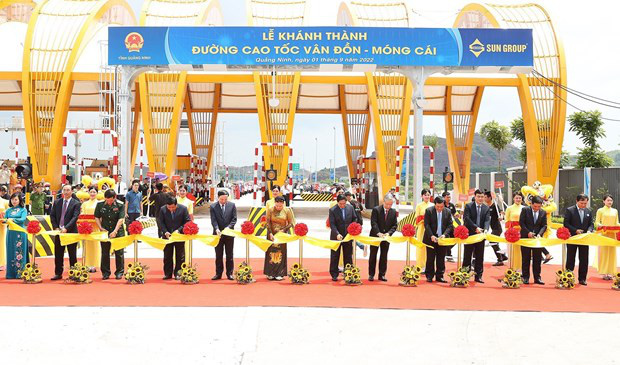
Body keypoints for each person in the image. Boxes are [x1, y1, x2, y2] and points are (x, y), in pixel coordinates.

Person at [50, 184, 81, 280]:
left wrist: (66, 228)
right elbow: (52, 216)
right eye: (64, 190)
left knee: (72, 254)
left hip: (71, 232)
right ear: (62, 191)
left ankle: (73, 273)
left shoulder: (76, 203)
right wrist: (55, 227)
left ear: (72, 191)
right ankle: (58, 273)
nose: (66, 192)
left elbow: (74, 217)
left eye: (68, 190)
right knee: (58, 253)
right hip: (59, 232)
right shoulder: (57, 202)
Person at [94, 190, 125, 279]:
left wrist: (115, 231)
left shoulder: (120, 205)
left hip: (118, 231)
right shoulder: (100, 205)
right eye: (107, 200)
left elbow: (121, 219)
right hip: (105, 231)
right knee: (104, 252)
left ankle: (119, 272)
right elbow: (96, 216)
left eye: (110, 200)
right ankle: (105, 272)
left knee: (119, 253)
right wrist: (100, 227)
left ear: (114, 198)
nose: (108, 202)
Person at [563, 194, 594, 285]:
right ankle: (568, 276)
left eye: (585, 203)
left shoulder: (588, 211)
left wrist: (589, 230)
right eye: (582, 203)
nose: (584, 205)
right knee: (570, 258)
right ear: (577, 201)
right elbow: (566, 223)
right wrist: (575, 230)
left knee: (584, 259)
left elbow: (591, 224)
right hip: (573, 238)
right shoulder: (570, 210)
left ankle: (582, 278)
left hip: (584, 239)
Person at [158, 196, 190, 280]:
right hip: (167, 236)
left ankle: (178, 273)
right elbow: (160, 222)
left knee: (180, 255)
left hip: (179, 236)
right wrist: (165, 231)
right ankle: (168, 274)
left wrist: (179, 230)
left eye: (173, 207)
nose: (171, 209)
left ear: (176, 205)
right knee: (167, 255)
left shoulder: (183, 209)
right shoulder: (163, 209)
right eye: (169, 207)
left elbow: (187, 221)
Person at [462, 189, 490, 283]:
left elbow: (487, 220)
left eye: (482, 197)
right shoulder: (469, 206)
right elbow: (467, 219)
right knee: (467, 256)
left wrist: (485, 229)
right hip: (470, 234)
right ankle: (464, 275)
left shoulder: (486, 208)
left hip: (480, 236)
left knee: (480, 256)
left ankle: (478, 276)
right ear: (475, 196)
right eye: (478, 196)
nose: (480, 198)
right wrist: (475, 228)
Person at [424, 196, 454, 283]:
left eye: (441, 206)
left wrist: (445, 235)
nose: (440, 208)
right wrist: (431, 235)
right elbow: (426, 225)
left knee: (441, 258)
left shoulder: (447, 211)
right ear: (435, 205)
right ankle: (429, 275)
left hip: (442, 238)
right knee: (430, 257)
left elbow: (450, 225)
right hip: (431, 238)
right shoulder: (429, 211)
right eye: (438, 207)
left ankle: (440, 276)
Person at [265, 195, 295, 280]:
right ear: (274, 203)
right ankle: (270, 273)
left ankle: (280, 273)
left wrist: (284, 230)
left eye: (280, 206)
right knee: (271, 253)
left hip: (282, 235)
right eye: (277, 205)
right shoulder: (270, 210)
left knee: (280, 253)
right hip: (271, 234)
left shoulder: (287, 210)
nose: (278, 207)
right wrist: (270, 233)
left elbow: (290, 223)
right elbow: (267, 222)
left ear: (283, 204)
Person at [368, 194, 397, 281]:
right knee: (373, 255)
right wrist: (378, 233)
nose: (388, 206)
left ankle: (382, 274)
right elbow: (373, 223)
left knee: (384, 256)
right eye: (387, 204)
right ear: (383, 202)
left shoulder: (393, 211)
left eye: (390, 204)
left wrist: (389, 233)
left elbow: (395, 225)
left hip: (386, 237)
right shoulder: (376, 210)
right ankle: (371, 274)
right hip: (375, 236)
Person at [519, 196, 547, 285]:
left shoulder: (543, 212)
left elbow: (544, 225)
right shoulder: (525, 210)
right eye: (535, 206)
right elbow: (521, 223)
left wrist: (539, 234)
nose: (537, 208)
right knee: (526, 258)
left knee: (537, 259)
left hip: (537, 239)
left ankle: (537, 277)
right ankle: (525, 277)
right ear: (531, 204)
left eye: (539, 207)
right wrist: (528, 232)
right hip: (526, 237)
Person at [210, 190, 237, 280]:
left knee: (229, 254)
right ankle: (218, 273)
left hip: (229, 234)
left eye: (225, 199)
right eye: (222, 199)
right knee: (218, 255)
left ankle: (229, 273)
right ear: (218, 198)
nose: (223, 201)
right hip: (218, 234)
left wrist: (229, 227)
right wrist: (216, 229)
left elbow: (234, 219)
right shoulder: (213, 206)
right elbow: (213, 220)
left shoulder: (232, 205)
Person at [328, 194, 356, 281]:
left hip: (348, 235)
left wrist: (352, 229)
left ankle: (348, 272)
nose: (342, 205)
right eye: (340, 204)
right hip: (336, 236)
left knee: (348, 254)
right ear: (337, 202)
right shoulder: (332, 210)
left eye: (344, 203)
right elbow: (332, 224)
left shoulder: (350, 208)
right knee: (335, 255)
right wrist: (337, 234)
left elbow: (354, 219)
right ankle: (334, 274)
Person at [595, 194, 618, 280]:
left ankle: (611, 272)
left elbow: (617, 222)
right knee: (604, 253)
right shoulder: (600, 210)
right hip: (604, 234)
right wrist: (602, 226)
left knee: (612, 253)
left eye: (611, 200)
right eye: (608, 200)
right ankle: (604, 273)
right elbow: (596, 222)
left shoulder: (615, 211)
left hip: (612, 234)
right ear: (604, 201)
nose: (610, 202)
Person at [79, 186, 102, 273]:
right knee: (87, 246)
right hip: (86, 228)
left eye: (94, 192)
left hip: (96, 228)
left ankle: (95, 264)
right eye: (91, 192)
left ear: (97, 193)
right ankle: (87, 264)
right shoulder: (84, 204)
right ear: (88, 193)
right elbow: (82, 214)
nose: (92, 194)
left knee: (95, 246)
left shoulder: (99, 203)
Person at [4, 193, 27, 279]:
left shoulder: (23, 210)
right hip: (10, 233)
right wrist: (4, 220)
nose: (14, 201)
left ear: (20, 200)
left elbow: (22, 219)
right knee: (10, 250)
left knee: (20, 251)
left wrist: (12, 220)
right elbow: (5, 220)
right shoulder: (8, 210)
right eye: (12, 199)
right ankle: (10, 274)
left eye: (16, 199)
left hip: (20, 232)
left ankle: (20, 273)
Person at [484, 190, 508, 266]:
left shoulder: (495, 205)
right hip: (493, 228)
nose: (484, 199)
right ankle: (503, 256)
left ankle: (500, 259)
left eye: (485, 197)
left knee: (492, 242)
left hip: (497, 228)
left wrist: (501, 217)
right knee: (494, 243)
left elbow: (501, 212)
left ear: (489, 198)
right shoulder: (487, 207)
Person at [504, 192, 525, 268]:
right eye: (516, 198)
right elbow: (507, 220)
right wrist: (507, 232)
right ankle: (512, 267)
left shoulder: (524, 208)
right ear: (513, 199)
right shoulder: (509, 208)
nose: (518, 199)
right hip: (512, 232)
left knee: (522, 251)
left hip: (522, 232)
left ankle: (521, 268)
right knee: (512, 250)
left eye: (520, 198)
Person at [413, 189, 432, 270]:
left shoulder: (433, 205)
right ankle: (421, 265)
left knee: (430, 247)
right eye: (425, 195)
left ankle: (430, 265)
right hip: (421, 228)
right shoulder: (419, 205)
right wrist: (424, 218)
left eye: (428, 194)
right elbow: (416, 218)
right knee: (421, 246)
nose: (427, 196)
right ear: (422, 196)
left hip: (431, 229)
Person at [345, 191, 367, 256]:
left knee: (351, 237)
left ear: (347, 197)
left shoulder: (349, 204)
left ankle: (361, 246)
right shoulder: (357, 202)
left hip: (354, 222)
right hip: (360, 221)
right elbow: (363, 211)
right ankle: (355, 248)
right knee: (356, 237)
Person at [442, 191, 459, 262]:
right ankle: (449, 256)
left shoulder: (451, 205)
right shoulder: (441, 204)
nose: (449, 198)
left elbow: (455, 213)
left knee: (455, 238)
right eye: (447, 197)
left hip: (452, 225)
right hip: (444, 225)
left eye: (449, 197)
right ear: (444, 197)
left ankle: (446, 250)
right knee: (447, 238)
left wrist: (457, 215)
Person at [0, 191, 8, 271]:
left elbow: (10, 211)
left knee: (1, 243)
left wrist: (4, 213)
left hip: (1, 226)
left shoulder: (5, 202)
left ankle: (1, 263)